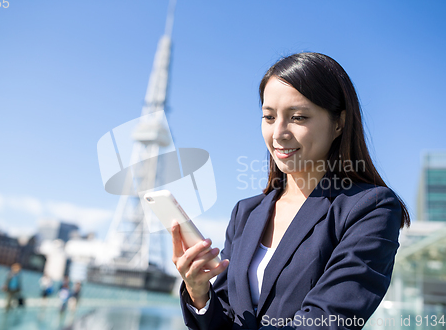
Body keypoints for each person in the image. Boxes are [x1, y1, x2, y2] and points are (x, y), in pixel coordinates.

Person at [172, 52, 410, 330]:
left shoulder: (371, 207)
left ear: (339, 123)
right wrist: (199, 293)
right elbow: (226, 318)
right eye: (269, 117)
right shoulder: (245, 213)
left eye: (297, 117)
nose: (278, 133)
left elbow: (328, 321)